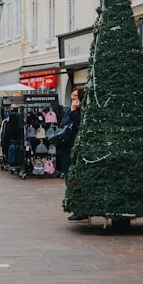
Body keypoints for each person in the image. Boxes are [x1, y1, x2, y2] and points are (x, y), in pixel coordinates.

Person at [61, 87, 85, 221]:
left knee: (73, 179)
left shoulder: (79, 112)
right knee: (68, 178)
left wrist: (75, 111)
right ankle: (76, 208)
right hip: (66, 149)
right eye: (72, 95)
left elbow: (78, 126)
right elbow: (63, 125)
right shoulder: (69, 110)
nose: (72, 98)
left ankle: (79, 209)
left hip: (74, 149)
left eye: (75, 96)